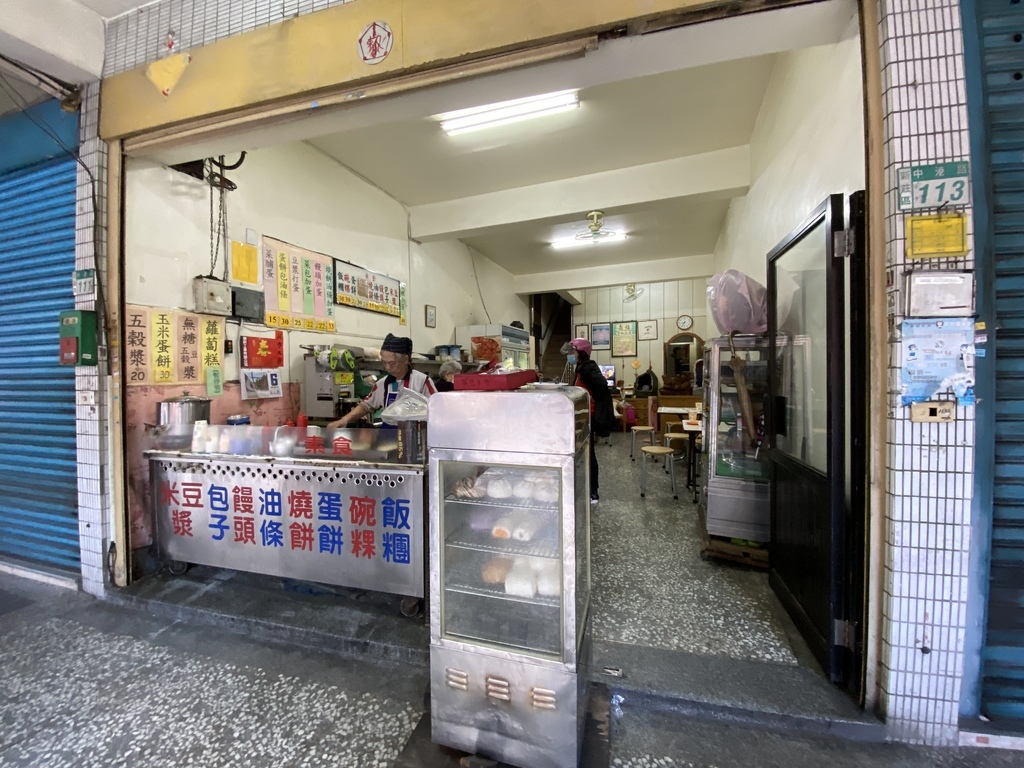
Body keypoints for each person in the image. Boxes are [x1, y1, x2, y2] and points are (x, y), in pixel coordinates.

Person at [327, 334, 436, 428]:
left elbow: (437, 408)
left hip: (415, 435)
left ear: (406, 359)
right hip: (387, 435)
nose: (387, 368)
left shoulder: (422, 381)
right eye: (384, 363)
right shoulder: (382, 384)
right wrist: (344, 420)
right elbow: (366, 406)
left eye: (392, 363)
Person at [561, 337, 615, 505]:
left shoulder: (588, 369)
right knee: (583, 454)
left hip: (589, 418)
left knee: (589, 454)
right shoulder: (581, 368)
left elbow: (600, 390)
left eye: (573, 352)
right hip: (583, 417)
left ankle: (593, 492)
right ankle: (586, 488)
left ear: (581, 352)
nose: (570, 355)